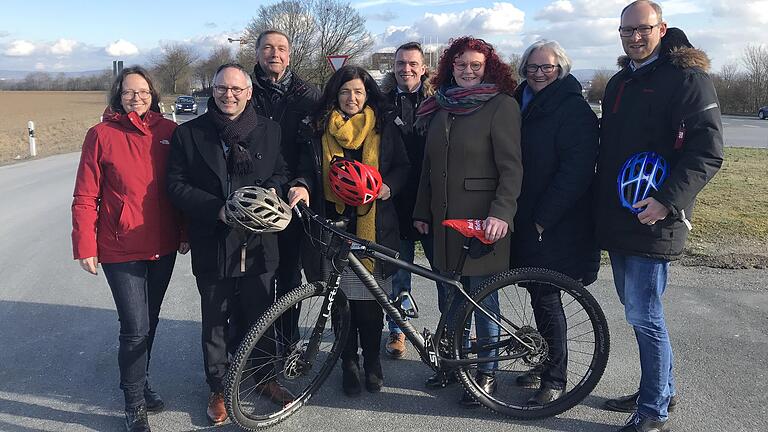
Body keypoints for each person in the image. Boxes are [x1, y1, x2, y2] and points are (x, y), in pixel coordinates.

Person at [596, 2, 724, 431]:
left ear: (661, 28)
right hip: (619, 217)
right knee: (636, 311)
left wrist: (667, 201)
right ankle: (658, 388)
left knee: (644, 314)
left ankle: (652, 410)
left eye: (642, 29)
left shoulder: (689, 80)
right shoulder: (619, 83)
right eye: (626, 30)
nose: (634, 37)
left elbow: (706, 152)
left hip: (657, 218)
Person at [166, 63, 292, 426]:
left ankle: (264, 377)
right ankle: (219, 388)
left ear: (249, 92)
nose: (229, 95)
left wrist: (276, 191)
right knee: (216, 318)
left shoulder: (269, 130)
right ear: (213, 91)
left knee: (261, 313)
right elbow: (175, 185)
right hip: (214, 237)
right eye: (222, 88)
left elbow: (280, 171)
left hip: (259, 240)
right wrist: (217, 210)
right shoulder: (189, 135)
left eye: (237, 89)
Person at [71, 66, 187, 432]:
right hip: (120, 246)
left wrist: (183, 232)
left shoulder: (170, 133)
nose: (136, 98)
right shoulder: (101, 135)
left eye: (142, 92)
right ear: (117, 96)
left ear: (153, 94)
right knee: (135, 326)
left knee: (149, 322)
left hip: (163, 243)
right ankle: (133, 402)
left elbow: (180, 189)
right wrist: (85, 244)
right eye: (128, 92)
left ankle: (141, 381)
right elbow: (86, 195)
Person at [412, 36, 523, 406]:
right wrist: (421, 211)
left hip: (483, 221)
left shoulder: (501, 106)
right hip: (444, 220)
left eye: (475, 65)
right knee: (451, 297)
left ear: (488, 67)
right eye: (461, 64)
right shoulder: (441, 107)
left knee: (483, 300)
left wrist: (501, 212)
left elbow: (511, 167)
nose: (468, 71)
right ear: (450, 67)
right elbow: (429, 168)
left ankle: (486, 372)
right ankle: (455, 363)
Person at [287, 65, 409, 396]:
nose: (351, 98)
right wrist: (301, 186)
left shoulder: (383, 127)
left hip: (374, 227)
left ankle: (372, 361)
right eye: (344, 92)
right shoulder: (318, 128)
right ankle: (348, 363)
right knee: (339, 303)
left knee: (369, 306)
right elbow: (305, 170)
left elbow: (403, 166)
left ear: (367, 94)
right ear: (334, 95)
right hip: (334, 227)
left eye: (358, 91)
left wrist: (389, 187)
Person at [510, 40, 601, 406]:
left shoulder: (572, 108)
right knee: (535, 292)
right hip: (526, 213)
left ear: (560, 69)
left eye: (546, 68)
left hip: (554, 220)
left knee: (547, 297)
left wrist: (545, 218)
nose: (538, 74)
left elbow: (577, 171)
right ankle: (546, 360)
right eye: (532, 67)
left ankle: (555, 378)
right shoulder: (521, 101)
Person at [379, 41, 445, 359]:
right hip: (394, 201)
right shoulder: (381, 105)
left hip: (433, 202)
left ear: (423, 68)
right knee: (397, 274)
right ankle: (398, 330)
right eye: (400, 63)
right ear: (394, 67)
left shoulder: (439, 103)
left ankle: (449, 333)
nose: (406, 68)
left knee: (444, 275)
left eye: (412, 64)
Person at [251, 29, 320, 305]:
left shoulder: (310, 97)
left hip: (294, 195)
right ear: (257, 53)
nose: (274, 53)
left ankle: (288, 344)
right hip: (255, 192)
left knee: (290, 275)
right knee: (257, 276)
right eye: (268, 48)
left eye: (281, 48)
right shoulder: (244, 92)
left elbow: (316, 150)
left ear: (289, 56)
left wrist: (304, 182)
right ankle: (259, 344)